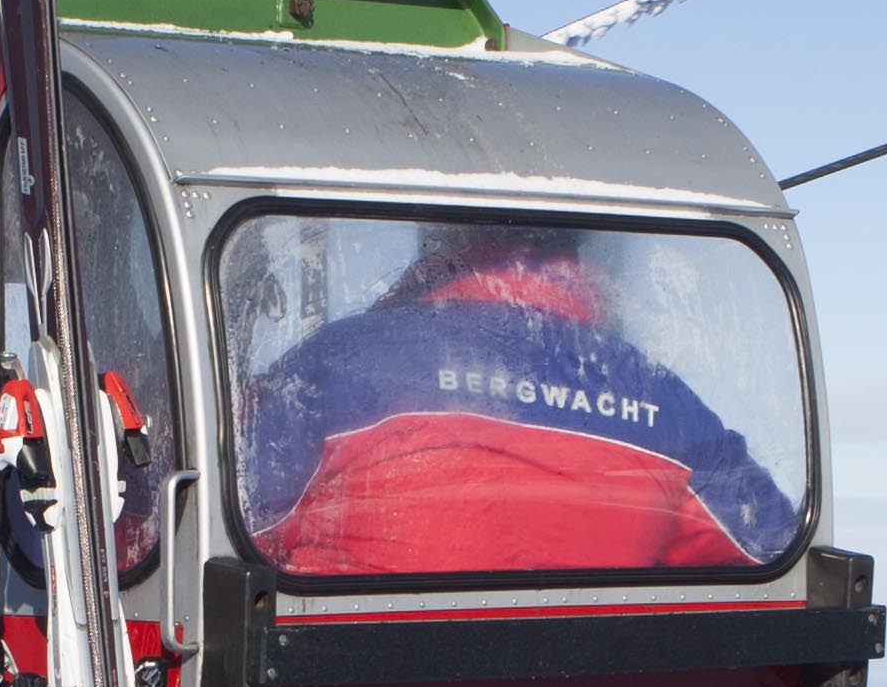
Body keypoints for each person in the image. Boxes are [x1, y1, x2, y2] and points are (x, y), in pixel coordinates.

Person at [235, 220, 799, 578]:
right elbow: (771, 549)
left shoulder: (337, 365)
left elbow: (218, 527)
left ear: (443, 243)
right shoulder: (666, 402)